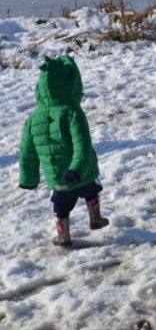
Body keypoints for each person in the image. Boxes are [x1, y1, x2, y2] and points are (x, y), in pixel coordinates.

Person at [19, 55, 109, 246]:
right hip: (82, 173)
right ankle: (96, 218)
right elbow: (82, 144)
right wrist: (76, 169)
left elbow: (27, 153)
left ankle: (63, 235)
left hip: (58, 177)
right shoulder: (72, 112)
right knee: (92, 191)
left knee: (60, 207)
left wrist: (28, 179)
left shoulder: (32, 119)